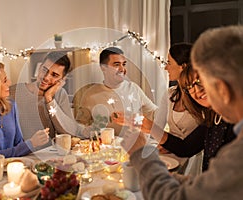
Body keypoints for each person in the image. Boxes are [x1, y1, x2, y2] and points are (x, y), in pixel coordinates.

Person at [122, 25, 243, 199]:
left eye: (201, 82)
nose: (198, 92)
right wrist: (173, 179)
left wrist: (140, 154)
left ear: (221, 88)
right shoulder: (218, 119)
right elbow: (211, 185)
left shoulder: (238, 152)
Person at [73, 47, 157, 136]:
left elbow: (154, 113)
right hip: (106, 148)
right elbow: (80, 127)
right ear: (103, 68)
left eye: (124, 64)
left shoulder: (133, 88)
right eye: (116, 65)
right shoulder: (90, 94)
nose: (122, 69)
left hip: (134, 147)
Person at [10, 51, 87, 144]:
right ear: (39, 67)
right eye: (44, 70)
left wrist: (49, 99)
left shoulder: (60, 95)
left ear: (62, 80)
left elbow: (69, 131)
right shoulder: (14, 92)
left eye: (54, 75)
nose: (46, 77)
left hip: (50, 153)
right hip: (22, 155)